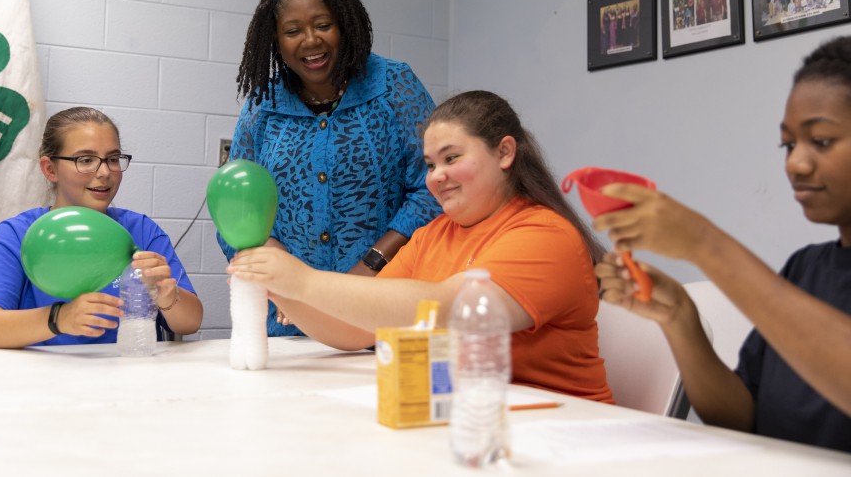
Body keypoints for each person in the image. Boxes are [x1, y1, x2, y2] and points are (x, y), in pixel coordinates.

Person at [229, 90, 613, 401]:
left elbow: (454, 314)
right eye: (430, 165)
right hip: (466, 416)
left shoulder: (546, 236)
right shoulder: (434, 234)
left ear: (505, 152)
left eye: (452, 158)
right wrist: (279, 287)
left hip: (556, 428)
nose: (437, 177)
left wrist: (305, 282)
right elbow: (356, 327)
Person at [593, 35, 851, 452]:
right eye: (788, 144)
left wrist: (704, 243)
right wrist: (679, 318)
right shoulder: (806, 269)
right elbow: (740, 418)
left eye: (820, 141)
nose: (795, 164)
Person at [222, 0, 442, 336]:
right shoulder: (262, 106)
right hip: (287, 320)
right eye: (292, 31)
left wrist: (370, 266)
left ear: (345, 26)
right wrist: (282, 274)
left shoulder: (393, 85)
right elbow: (237, 206)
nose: (310, 40)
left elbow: (431, 188)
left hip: (381, 308)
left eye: (323, 25)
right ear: (276, 41)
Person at [0, 107, 203, 348]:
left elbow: (190, 323)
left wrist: (169, 298)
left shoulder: (141, 231)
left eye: (113, 159)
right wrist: (59, 318)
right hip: (42, 379)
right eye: (86, 160)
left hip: (129, 375)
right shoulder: (17, 235)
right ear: (50, 169)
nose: (105, 172)